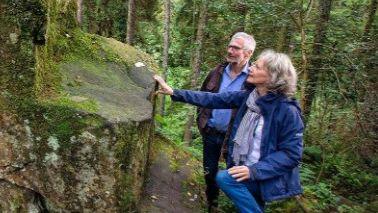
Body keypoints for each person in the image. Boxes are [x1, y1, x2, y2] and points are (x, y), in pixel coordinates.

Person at [154, 49, 304, 213]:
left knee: (224, 179)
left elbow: (291, 154)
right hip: (242, 167)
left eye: (258, 67)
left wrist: (254, 171)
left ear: (273, 77)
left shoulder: (287, 111)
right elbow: (212, 99)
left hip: (262, 174)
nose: (251, 67)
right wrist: (174, 92)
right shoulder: (250, 97)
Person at [197, 32, 256, 211]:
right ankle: (212, 203)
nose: (230, 50)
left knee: (236, 175)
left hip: (235, 139)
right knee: (210, 171)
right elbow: (202, 97)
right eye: (229, 46)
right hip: (211, 132)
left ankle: (237, 206)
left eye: (235, 48)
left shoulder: (253, 79)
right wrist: (202, 122)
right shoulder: (217, 72)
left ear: (248, 53)